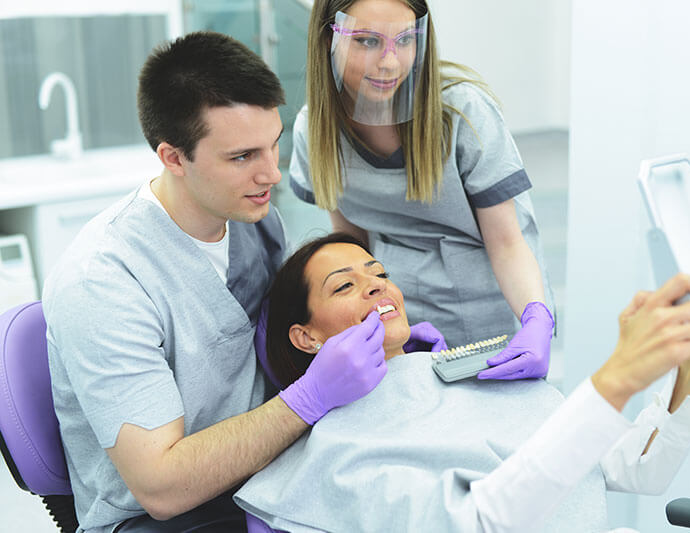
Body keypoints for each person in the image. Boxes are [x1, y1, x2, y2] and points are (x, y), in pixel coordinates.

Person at [42, 31, 444, 533]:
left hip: (271, 472)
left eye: (274, 146)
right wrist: (311, 396)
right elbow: (161, 487)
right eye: (242, 157)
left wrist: (392, 357)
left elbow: (292, 339)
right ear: (173, 158)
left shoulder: (254, 223)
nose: (272, 175)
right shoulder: (102, 282)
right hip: (174, 518)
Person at [235, 233, 690, 532]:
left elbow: (635, 468)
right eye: (346, 286)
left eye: (379, 273)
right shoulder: (335, 450)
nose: (378, 288)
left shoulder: (467, 375)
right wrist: (617, 379)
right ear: (306, 337)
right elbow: (478, 525)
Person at [290, 0, 555, 380]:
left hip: (487, 309)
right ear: (327, 39)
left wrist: (536, 319)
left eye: (405, 40)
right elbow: (350, 242)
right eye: (366, 41)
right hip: (394, 316)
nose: (390, 62)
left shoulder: (462, 112)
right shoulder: (313, 131)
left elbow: (508, 243)